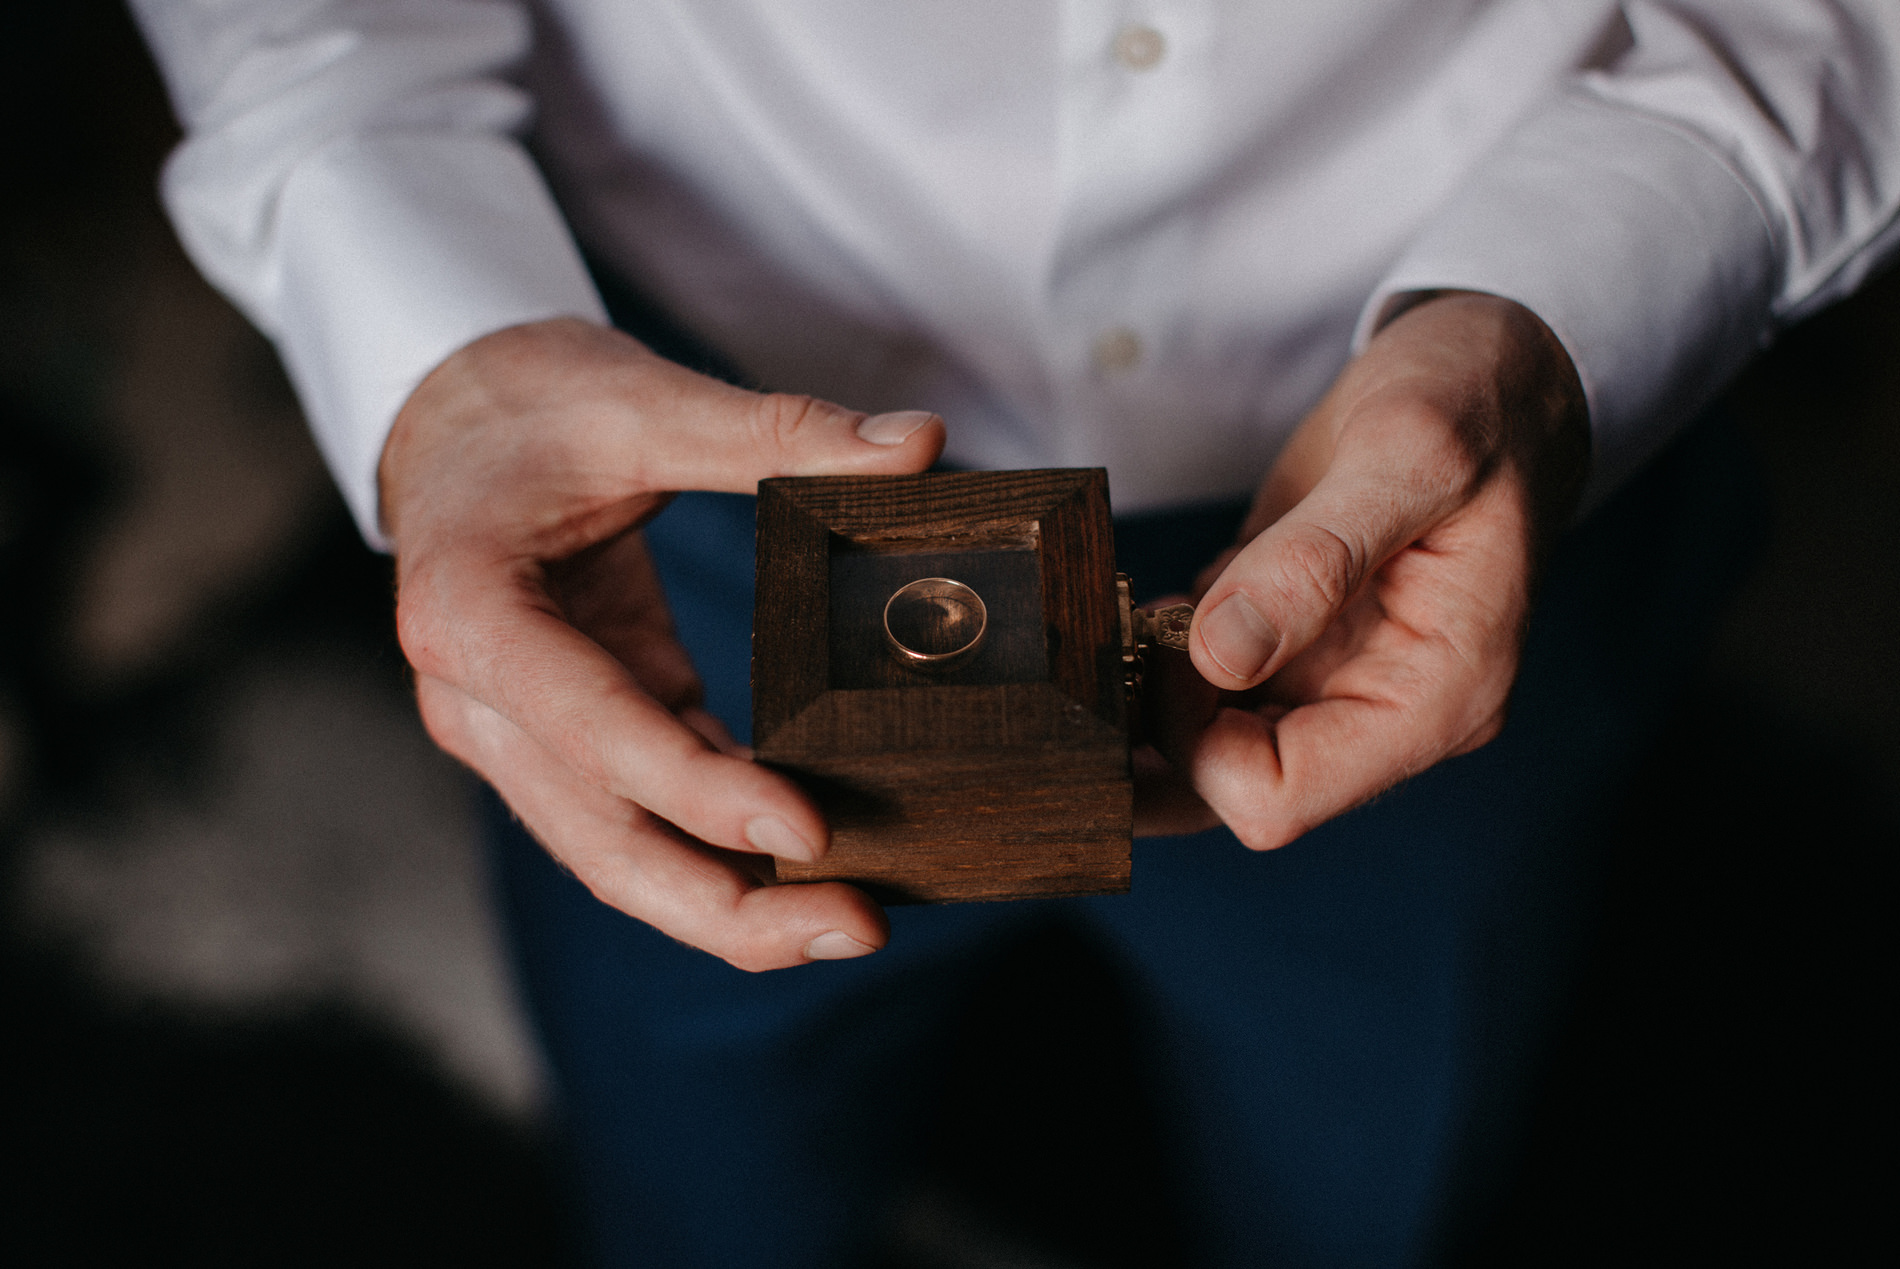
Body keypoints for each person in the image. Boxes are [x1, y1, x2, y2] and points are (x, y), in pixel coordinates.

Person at [130, 2, 1899, 1264]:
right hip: (672, 435)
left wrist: (1620, 263)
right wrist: (420, 305)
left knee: (1378, 1128)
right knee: (695, 1096)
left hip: (1452, 466)